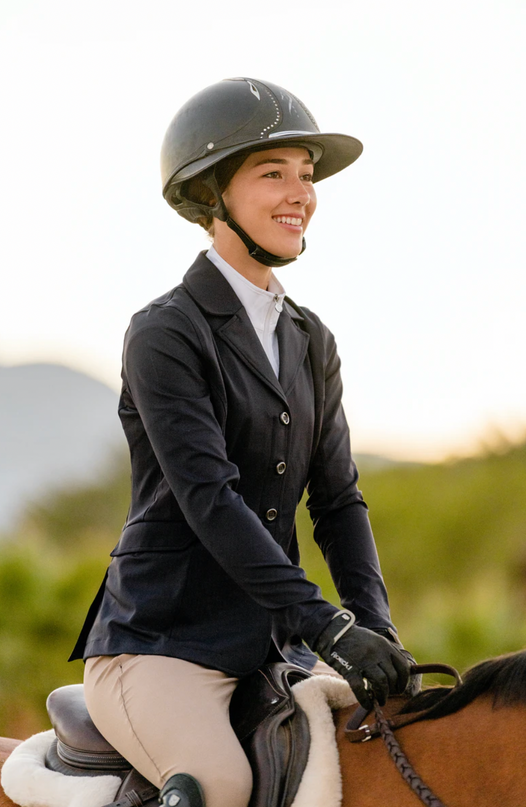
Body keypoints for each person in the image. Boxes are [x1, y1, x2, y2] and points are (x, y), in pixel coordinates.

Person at [70, 77, 417, 807]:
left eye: (306, 175)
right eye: (272, 173)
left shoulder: (311, 339)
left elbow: (338, 500)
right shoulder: (165, 332)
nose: (300, 194)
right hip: (161, 644)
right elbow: (209, 498)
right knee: (221, 786)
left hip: (271, 648)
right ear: (211, 195)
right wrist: (329, 627)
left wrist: (374, 627)